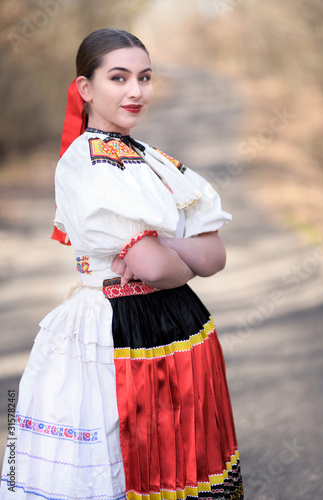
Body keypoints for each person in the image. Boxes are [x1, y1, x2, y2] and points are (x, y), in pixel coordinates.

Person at [0, 28, 244, 500]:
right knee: (126, 467)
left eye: (145, 77)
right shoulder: (84, 162)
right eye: (119, 77)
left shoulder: (153, 159)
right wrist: (174, 247)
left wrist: (164, 248)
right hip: (117, 333)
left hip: (177, 326)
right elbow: (154, 267)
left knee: (182, 462)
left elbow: (215, 257)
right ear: (86, 89)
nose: (136, 91)